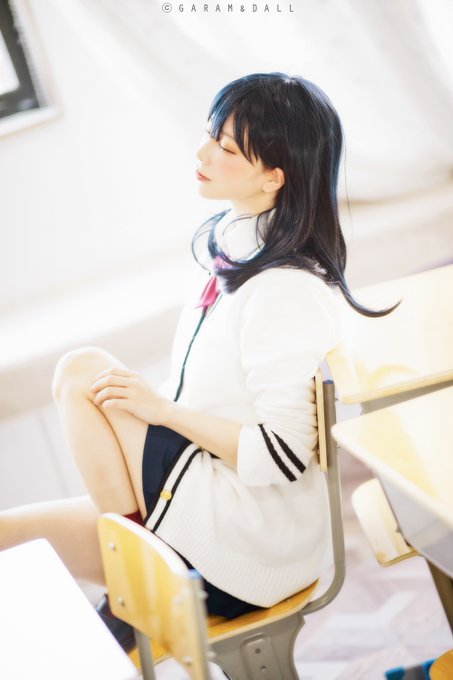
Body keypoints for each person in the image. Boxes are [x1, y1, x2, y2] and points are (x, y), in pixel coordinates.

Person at [0, 72, 395, 650]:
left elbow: (282, 456)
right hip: (205, 507)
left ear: (274, 176)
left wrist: (160, 411)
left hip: (244, 549)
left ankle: (137, 576)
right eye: (210, 136)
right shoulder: (236, 249)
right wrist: (155, 409)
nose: (202, 154)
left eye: (226, 148)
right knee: (8, 533)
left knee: (82, 370)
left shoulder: (285, 289)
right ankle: (133, 577)